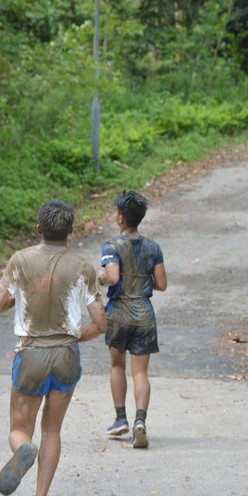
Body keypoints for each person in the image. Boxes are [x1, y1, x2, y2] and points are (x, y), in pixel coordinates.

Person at [0, 199, 106, 496]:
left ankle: (23, 449)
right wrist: (73, 338)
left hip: (31, 354)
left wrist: (16, 298)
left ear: (38, 228)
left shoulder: (20, 260)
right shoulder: (83, 267)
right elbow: (100, 323)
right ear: (70, 231)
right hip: (66, 356)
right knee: (52, 429)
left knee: (19, 428)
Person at [98, 190, 167, 448]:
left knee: (117, 365)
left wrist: (101, 277)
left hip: (119, 314)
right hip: (144, 315)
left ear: (120, 218)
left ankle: (120, 419)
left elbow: (112, 277)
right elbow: (161, 284)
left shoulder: (111, 247)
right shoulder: (153, 248)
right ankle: (140, 421)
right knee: (140, 372)